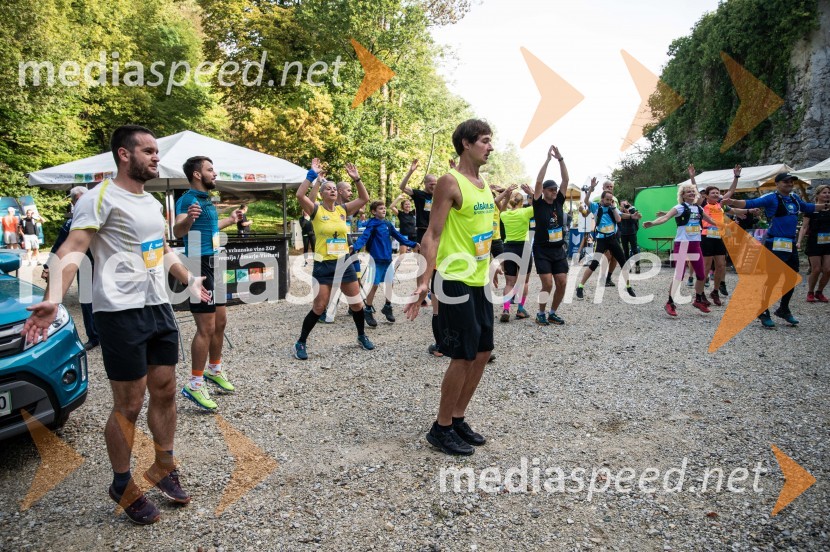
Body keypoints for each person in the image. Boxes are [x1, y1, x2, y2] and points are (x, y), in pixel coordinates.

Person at [22, 125, 209, 525]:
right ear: (124, 155)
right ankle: (122, 483)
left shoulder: (152, 202)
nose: (156, 157)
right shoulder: (98, 197)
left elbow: (162, 249)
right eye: (148, 151)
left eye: (157, 151)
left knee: (166, 389)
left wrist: (188, 278)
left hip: (158, 307)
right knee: (129, 403)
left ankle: (163, 466)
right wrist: (54, 298)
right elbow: (73, 248)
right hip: (119, 313)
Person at [404, 118, 495, 456]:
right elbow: (433, 233)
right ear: (466, 144)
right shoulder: (449, 181)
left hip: (479, 279)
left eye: (490, 141)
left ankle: (457, 418)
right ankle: (441, 428)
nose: (490, 147)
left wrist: (493, 265)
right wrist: (424, 281)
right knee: (463, 354)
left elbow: (483, 232)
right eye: (484, 140)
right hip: (453, 278)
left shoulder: (484, 185)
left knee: (483, 352)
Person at [173, 156, 242, 411]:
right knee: (206, 327)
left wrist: (230, 220)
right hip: (197, 263)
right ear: (197, 174)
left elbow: (211, 229)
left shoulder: (207, 199)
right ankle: (194, 383)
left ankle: (214, 369)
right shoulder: (187, 199)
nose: (215, 173)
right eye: (210, 170)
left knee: (220, 322)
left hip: (214, 262)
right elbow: (178, 231)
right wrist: (188, 220)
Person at [724, 173, 829, 326]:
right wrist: (732, 201)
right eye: (786, 182)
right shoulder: (771, 198)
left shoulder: (794, 198)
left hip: (790, 243)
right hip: (775, 243)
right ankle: (763, 310)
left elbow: (808, 207)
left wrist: (825, 206)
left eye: (791, 181)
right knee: (772, 279)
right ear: (777, 183)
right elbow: (751, 202)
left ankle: (783, 309)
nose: (789, 184)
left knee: (791, 278)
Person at [293, 159, 373, 359]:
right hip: (324, 264)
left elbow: (364, 198)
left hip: (344, 262)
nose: (332, 191)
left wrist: (357, 179)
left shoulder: (342, 210)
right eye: (328, 188)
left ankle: (361, 336)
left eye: (334, 189)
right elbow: (300, 195)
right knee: (319, 307)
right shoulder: (316, 210)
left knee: (356, 304)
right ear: (321, 193)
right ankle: (301, 342)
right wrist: (312, 175)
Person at [643, 180, 720, 316]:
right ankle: (670, 302)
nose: (691, 193)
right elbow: (665, 217)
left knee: (701, 275)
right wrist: (653, 223)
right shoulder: (679, 208)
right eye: (688, 192)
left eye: (693, 191)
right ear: (682, 195)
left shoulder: (699, 209)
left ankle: (698, 300)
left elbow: (711, 221)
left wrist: (726, 225)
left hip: (695, 244)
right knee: (679, 275)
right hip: (682, 244)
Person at [43, 186, 99, 350]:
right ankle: (94, 336)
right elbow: (59, 247)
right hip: (84, 266)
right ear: (74, 203)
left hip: (104, 265)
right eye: (79, 201)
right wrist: (47, 266)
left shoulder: (100, 217)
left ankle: (110, 334)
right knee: (87, 302)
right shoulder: (70, 224)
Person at [351, 200, 419, 325]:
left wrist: (413, 244)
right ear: (373, 212)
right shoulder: (372, 224)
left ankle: (387, 306)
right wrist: (355, 247)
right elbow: (364, 237)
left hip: (387, 259)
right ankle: (367, 310)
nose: (384, 210)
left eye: (384, 208)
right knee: (374, 285)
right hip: (375, 260)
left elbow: (399, 236)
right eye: (380, 208)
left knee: (389, 283)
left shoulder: (388, 224)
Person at [531, 145, 571, 325]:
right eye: (551, 189)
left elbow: (566, 179)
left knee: (562, 282)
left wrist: (560, 159)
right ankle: (540, 313)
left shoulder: (559, 202)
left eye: (555, 189)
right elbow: (539, 181)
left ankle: (552, 313)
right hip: (542, 250)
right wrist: (548, 160)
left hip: (558, 250)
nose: (555, 191)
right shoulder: (538, 203)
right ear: (544, 191)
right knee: (547, 284)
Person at [576, 184, 636, 300]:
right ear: (602, 199)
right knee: (594, 264)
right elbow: (586, 201)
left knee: (623, 262)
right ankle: (580, 286)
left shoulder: (612, 208)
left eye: (610, 200)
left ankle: (628, 287)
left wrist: (631, 216)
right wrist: (590, 189)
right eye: (607, 199)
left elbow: (619, 218)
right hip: (601, 240)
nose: (608, 201)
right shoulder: (595, 207)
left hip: (612, 239)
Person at [698, 165, 742, 306]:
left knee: (721, 266)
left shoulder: (720, 204)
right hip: (706, 237)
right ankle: (700, 294)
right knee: (706, 267)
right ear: (706, 195)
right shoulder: (703, 204)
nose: (716, 195)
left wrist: (736, 177)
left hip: (719, 237)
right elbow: (695, 189)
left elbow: (731, 191)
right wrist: (692, 176)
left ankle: (715, 291)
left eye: (717, 193)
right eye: (713, 193)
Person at [498, 185, 535, 322]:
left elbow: (498, 204)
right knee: (524, 281)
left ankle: (506, 309)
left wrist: (505, 194)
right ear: (522, 202)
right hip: (524, 248)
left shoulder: (505, 215)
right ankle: (520, 309)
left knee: (509, 282)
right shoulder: (526, 212)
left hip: (509, 248)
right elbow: (539, 204)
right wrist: (531, 193)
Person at [798, 184, 830, 303]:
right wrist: (799, 241)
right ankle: (810, 292)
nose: (827, 195)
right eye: (824, 192)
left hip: (828, 243)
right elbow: (804, 227)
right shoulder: (811, 209)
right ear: (817, 195)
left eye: (829, 193)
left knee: (828, 270)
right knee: (816, 269)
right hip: (814, 243)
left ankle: (819, 292)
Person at [618, 199, 640, 274]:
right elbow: (618, 221)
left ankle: (637, 266)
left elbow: (634, 221)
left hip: (632, 233)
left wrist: (628, 213)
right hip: (623, 233)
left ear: (628, 204)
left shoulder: (632, 210)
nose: (625, 206)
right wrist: (622, 212)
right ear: (620, 206)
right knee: (625, 251)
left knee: (634, 250)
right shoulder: (619, 212)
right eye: (623, 205)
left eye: (626, 205)